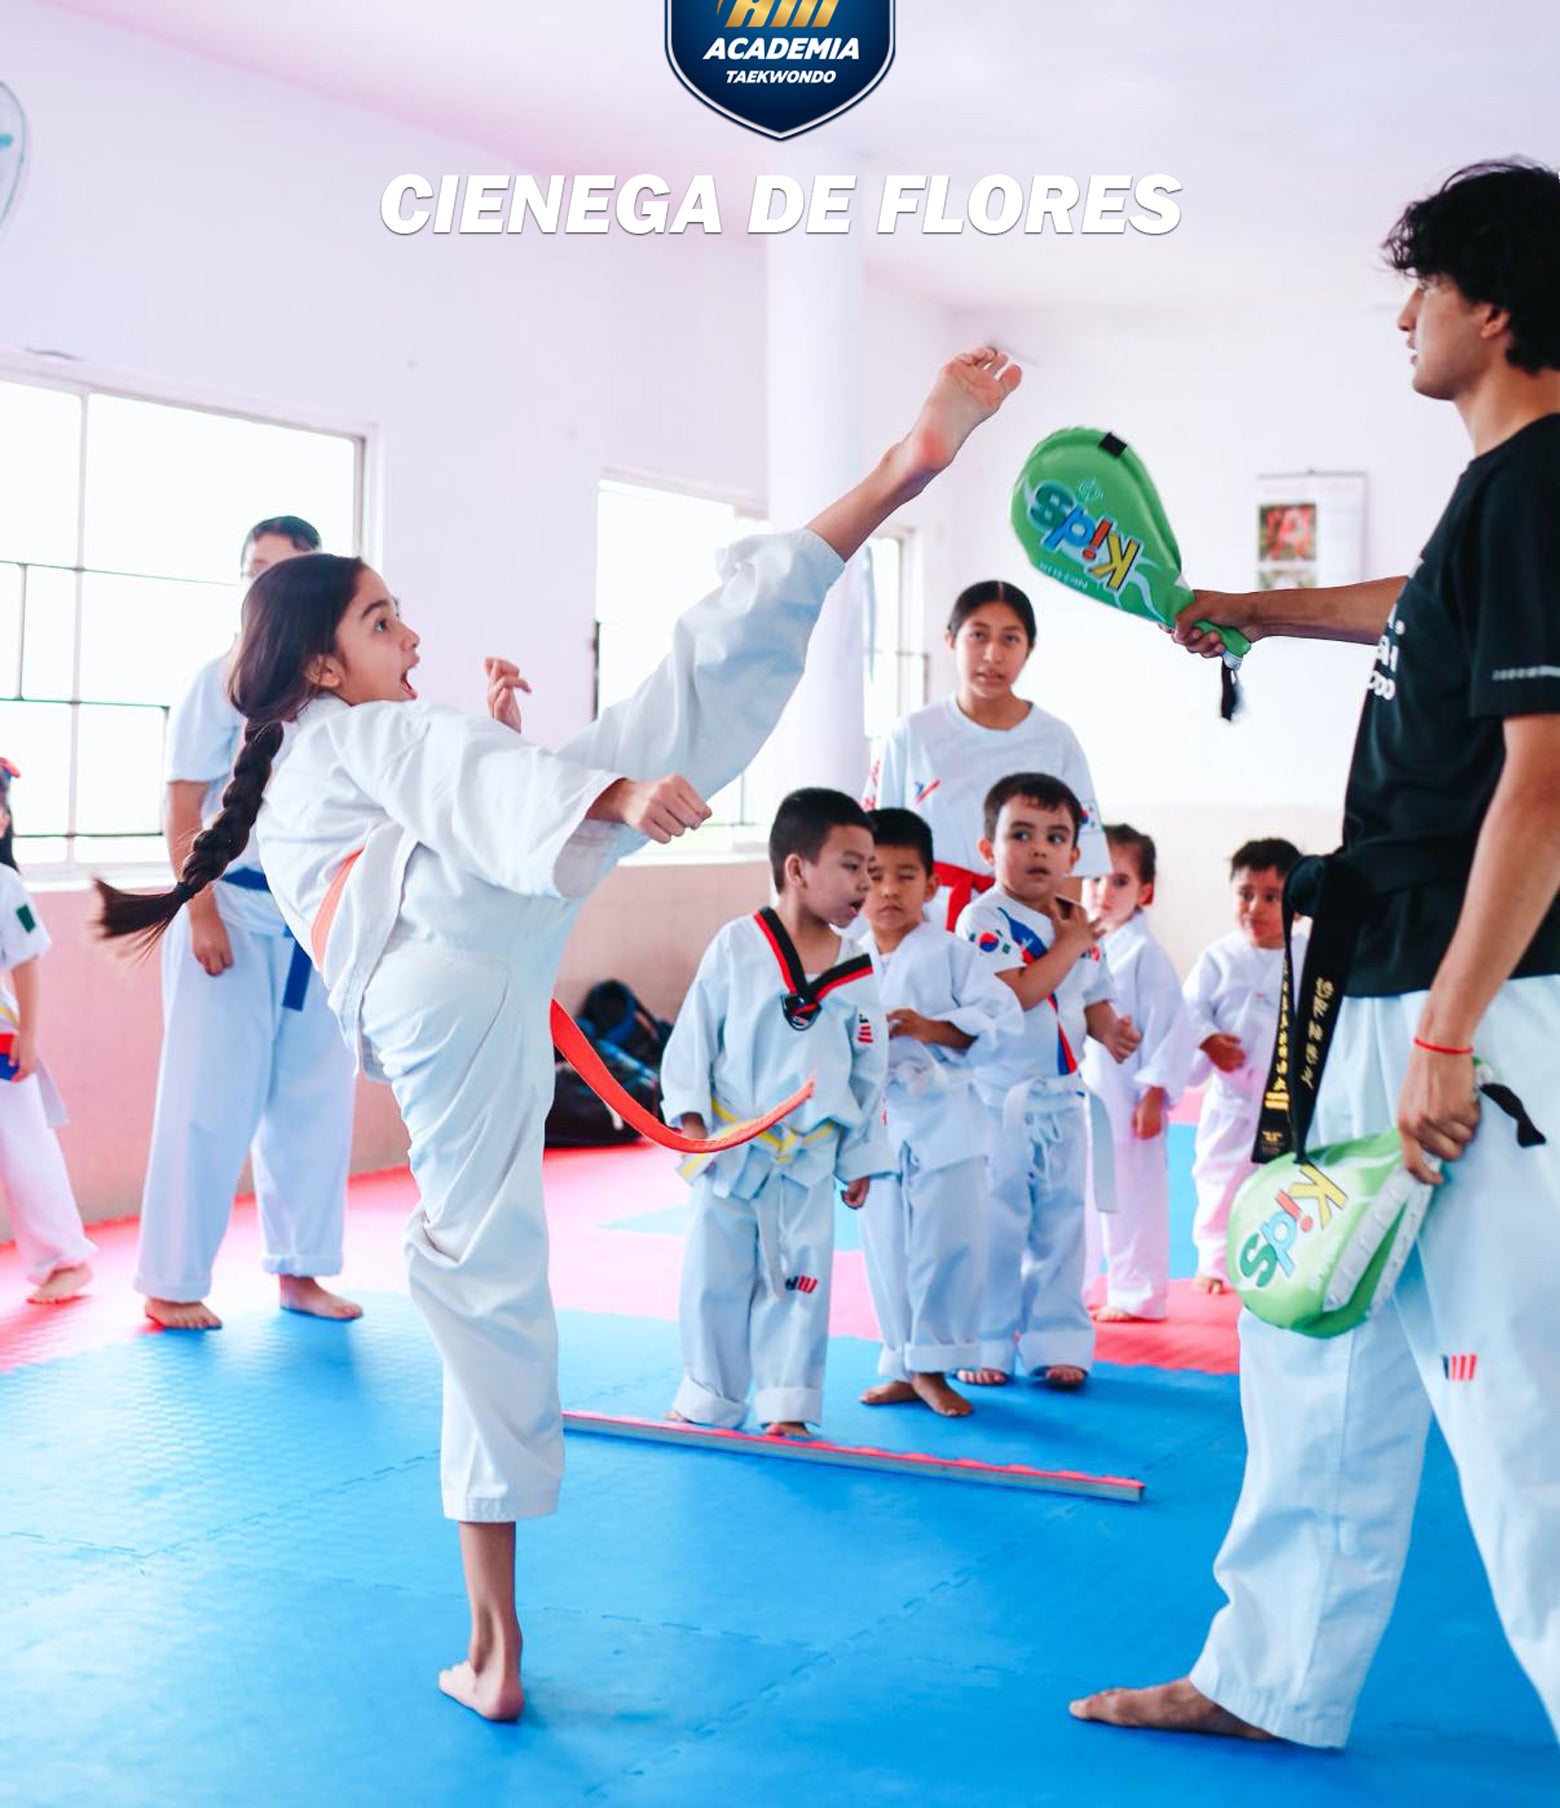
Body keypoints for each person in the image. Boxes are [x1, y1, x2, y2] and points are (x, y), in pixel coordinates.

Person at [97, 344, 1022, 1725]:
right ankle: (893, 476)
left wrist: (546, 773)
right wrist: (600, 797)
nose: (410, 635)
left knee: (484, 1276)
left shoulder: (312, 759)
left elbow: (451, 782)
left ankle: (493, 1646)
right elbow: (444, 769)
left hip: (450, 960)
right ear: (323, 660)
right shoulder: (356, 735)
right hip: (457, 943)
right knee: (669, 712)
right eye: (384, 620)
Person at [1072, 160, 1560, 1746]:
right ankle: (1271, 1675)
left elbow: (1547, 786)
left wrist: (1451, 1034)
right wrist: (1252, 609)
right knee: (1312, 1332)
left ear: (1496, 308)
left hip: (1470, 1002)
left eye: (1426, 288)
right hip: (1383, 981)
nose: (1406, 318)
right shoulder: (1496, 495)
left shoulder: (1545, 485)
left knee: (1514, 1396)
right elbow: (1418, 604)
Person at [135, 515, 360, 1331]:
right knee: (206, 1098)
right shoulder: (218, 680)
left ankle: (302, 1270)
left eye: (284, 570)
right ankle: (171, 1281)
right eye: (255, 568)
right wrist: (199, 910)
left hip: (311, 917)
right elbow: (181, 805)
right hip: (225, 904)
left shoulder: (333, 691)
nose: (266, 582)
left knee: (314, 1100)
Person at [664, 789, 888, 1439]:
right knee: (713, 1279)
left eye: (871, 870)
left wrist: (860, 1157)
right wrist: (691, 1123)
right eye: (851, 866)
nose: (865, 884)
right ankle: (709, 1396)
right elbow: (695, 1037)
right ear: (798, 869)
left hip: (808, 1158)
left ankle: (788, 1402)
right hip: (733, 1151)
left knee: (801, 1281)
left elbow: (869, 1073)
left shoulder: (857, 970)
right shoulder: (738, 946)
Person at [954, 773, 1139, 1390]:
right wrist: (1072, 943)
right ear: (988, 848)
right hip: (998, 1103)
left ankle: (1058, 1341)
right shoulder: (982, 919)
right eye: (1021, 835)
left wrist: (1110, 1030)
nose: (1039, 849)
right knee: (996, 1225)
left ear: (1074, 853)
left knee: (1063, 1224)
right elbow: (1019, 993)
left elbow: (1091, 994)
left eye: (1055, 838)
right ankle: (986, 1341)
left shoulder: (1074, 919)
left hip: (1063, 1102)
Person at [856, 806, 1020, 1416]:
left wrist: (932, 1027)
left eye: (905, 875)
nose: (888, 890)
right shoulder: (845, 956)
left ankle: (934, 1366)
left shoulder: (952, 952)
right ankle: (902, 1362)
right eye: (873, 875)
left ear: (932, 884)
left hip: (946, 1118)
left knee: (947, 1244)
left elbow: (1001, 1020)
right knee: (885, 1246)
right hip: (877, 1122)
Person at [865, 581, 1107, 931]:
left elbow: (1075, 866)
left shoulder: (1056, 740)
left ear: (1029, 648)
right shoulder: (910, 734)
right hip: (927, 925)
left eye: (1010, 639)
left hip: (1026, 929)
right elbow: (877, 848)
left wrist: (1055, 941)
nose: (993, 654)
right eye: (978, 635)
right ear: (951, 640)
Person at [1080, 825, 1195, 1322]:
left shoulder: (1145, 954)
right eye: (1095, 879)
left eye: (1120, 881)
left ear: (1144, 892)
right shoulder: (1075, 945)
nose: (1104, 892)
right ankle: (1070, 1287)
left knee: (1133, 1197)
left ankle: (1138, 1292)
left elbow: (1172, 1027)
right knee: (1076, 1199)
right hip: (1084, 1097)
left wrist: (1155, 1093)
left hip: (1129, 1102)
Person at [1181, 839, 1303, 1293]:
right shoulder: (1219, 957)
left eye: (1271, 897)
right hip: (1231, 1100)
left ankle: (1279, 1257)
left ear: (1296, 907)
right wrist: (1208, 1040)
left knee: (1284, 1182)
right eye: (1245, 894)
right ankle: (1215, 1262)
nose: (1255, 907)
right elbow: (1188, 1008)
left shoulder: (1308, 955)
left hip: (1289, 1100)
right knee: (1219, 1181)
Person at [0, 763, 96, 1303]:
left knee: (24, 1149)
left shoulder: (6, 886)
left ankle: (66, 1259)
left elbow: (26, 962)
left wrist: (30, 1034)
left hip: (3, 1038)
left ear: (3, 821)